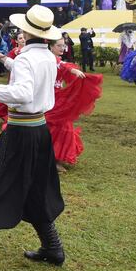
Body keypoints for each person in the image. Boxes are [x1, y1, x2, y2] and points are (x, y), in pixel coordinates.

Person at [0, 5, 65, 271]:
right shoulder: (47, 58)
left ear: (25, 31)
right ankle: (53, 248)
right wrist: (0, 57)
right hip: (40, 132)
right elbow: (25, 70)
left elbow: (22, 92)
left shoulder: (25, 60)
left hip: (20, 131)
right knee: (36, 188)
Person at [46, 37, 103, 172]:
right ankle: (51, 158)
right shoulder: (49, 59)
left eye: (63, 46)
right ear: (51, 47)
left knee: (63, 126)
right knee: (55, 126)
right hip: (47, 97)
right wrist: (74, 71)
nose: (62, 48)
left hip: (56, 97)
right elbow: (61, 66)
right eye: (59, 46)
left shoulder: (57, 60)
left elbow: (63, 66)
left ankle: (56, 158)